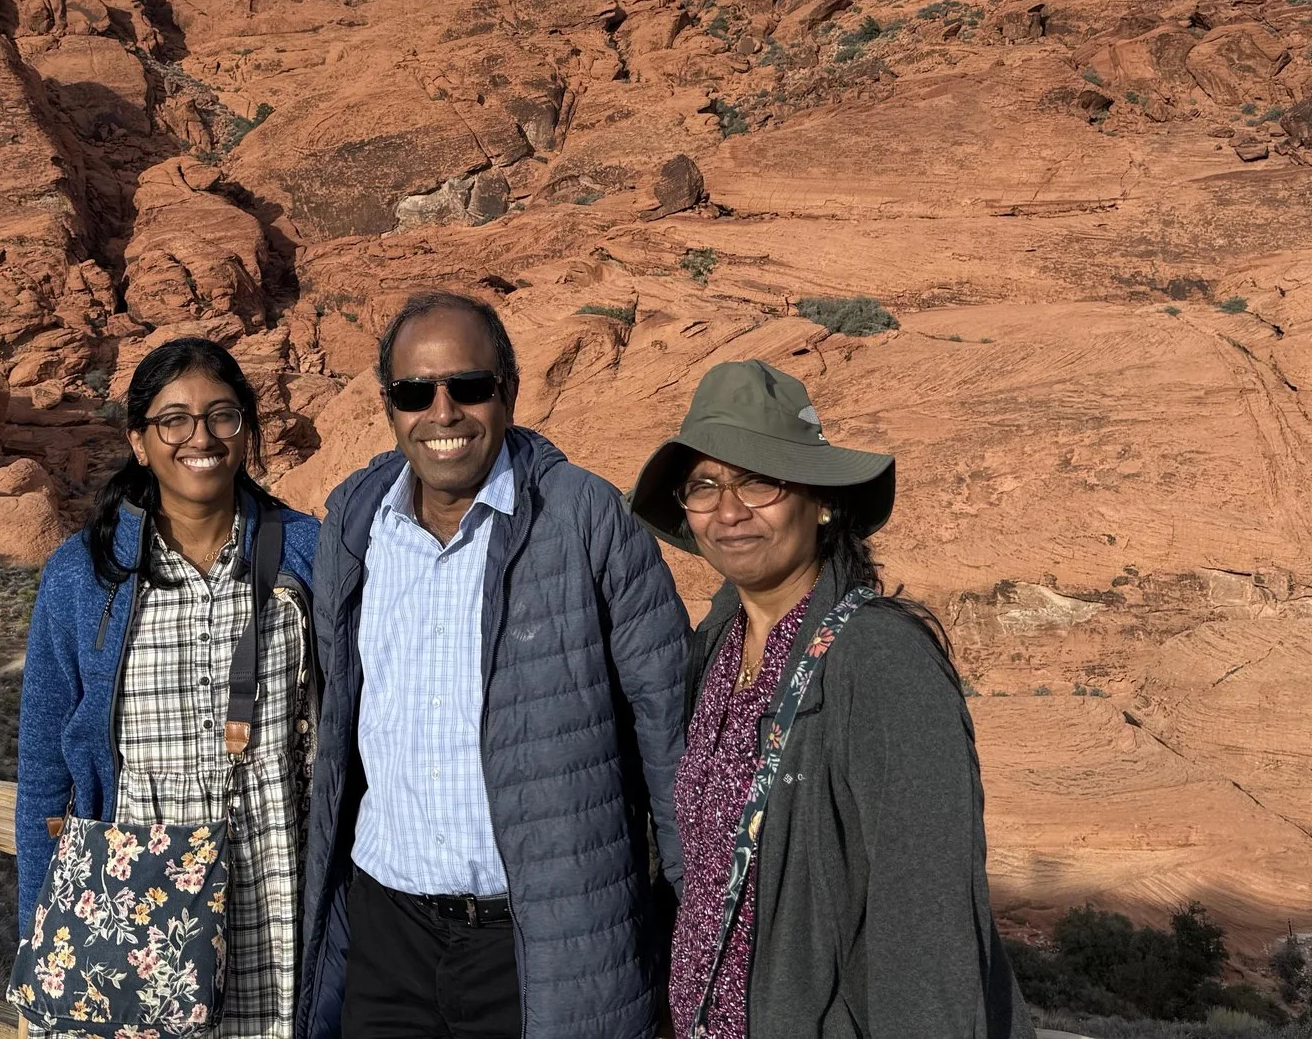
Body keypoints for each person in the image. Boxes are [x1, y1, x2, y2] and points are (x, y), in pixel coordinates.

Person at [296, 290, 689, 1039]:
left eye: (468, 386)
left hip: (541, 943)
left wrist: (683, 936)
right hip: (389, 934)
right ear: (389, 406)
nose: (443, 412)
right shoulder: (355, 520)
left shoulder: (585, 517)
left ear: (508, 392)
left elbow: (669, 738)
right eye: (416, 391)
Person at [628, 359, 1030, 1039]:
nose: (729, 509)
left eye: (759, 478)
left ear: (821, 501)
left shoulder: (879, 659)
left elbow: (927, 924)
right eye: (705, 484)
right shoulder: (716, 646)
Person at [14, 336, 320, 1039]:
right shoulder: (81, 577)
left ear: (246, 428)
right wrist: (38, 934)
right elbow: (42, 776)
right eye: (174, 419)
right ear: (140, 440)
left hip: (276, 886)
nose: (200, 436)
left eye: (222, 415)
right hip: (131, 910)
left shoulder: (308, 552)